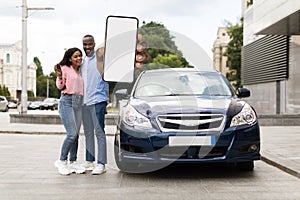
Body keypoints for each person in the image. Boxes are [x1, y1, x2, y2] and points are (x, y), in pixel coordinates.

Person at [53, 47, 86, 175]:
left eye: (80, 56)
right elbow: (60, 86)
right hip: (67, 101)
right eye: (76, 56)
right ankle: (61, 161)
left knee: (76, 135)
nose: (79, 58)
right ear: (70, 58)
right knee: (71, 134)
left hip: (78, 103)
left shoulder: (80, 71)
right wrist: (60, 76)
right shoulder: (65, 68)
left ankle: (73, 162)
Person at [80, 35, 109, 175]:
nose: (87, 47)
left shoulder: (101, 59)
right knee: (88, 133)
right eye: (85, 44)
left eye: (90, 44)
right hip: (85, 102)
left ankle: (101, 163)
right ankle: (89, 161)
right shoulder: (82, 61)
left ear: (94, 44)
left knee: (99, 132)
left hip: (98, 100)